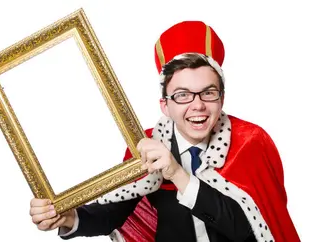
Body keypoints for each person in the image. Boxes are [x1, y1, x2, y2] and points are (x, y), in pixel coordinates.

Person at [28, 20, 300, 242]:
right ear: (165, 105)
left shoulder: (250, 141)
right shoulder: (148, 145)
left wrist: (177, 174)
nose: (198, 106)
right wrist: (68, 218)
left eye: (208, 93)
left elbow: (249, 229)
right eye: (182, 95)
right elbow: (112, 215)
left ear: (221, 99)